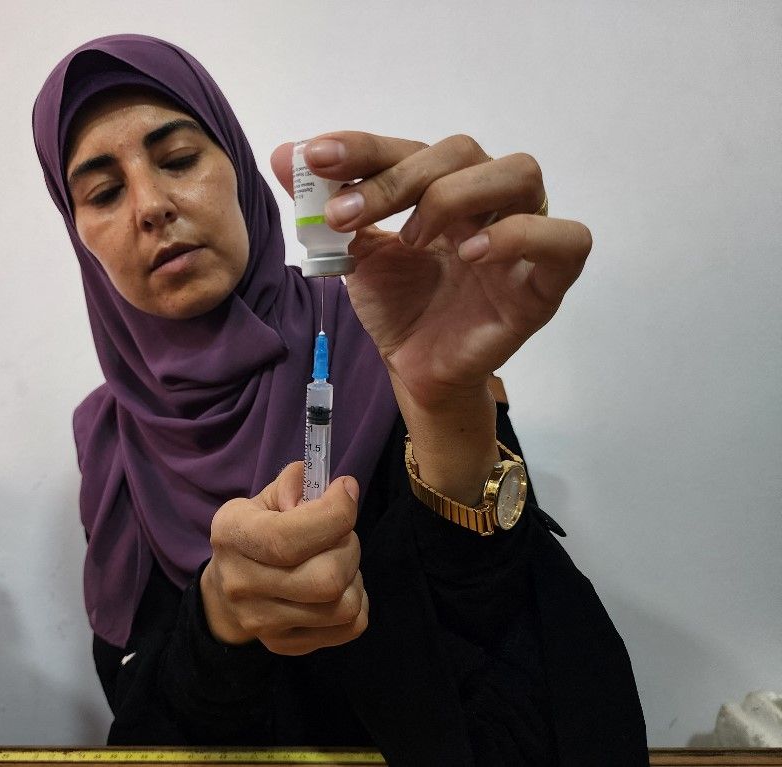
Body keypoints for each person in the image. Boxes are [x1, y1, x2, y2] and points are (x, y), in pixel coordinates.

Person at [32, 34, 647, 766]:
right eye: (103, 192)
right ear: (80, 239)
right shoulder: (110, 442)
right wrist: (220, 615)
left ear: (236, 166)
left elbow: (529, 692)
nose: (152, 205)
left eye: (178, 158)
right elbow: (144, 732)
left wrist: (447, 407)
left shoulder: (388, 342)